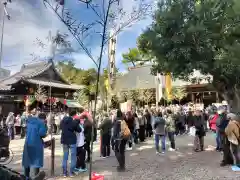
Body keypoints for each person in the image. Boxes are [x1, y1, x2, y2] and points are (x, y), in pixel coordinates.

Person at [22, 110, 47, 180]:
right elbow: (42, 134)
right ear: (43, 119)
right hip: (36, 144)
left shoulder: (29, 122)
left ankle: (26, 176)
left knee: (27, 160)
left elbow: (26, 131)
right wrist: (45, 131)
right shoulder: (41, 123)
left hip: (27, 143)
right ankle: (37, 176)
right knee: (36, 161)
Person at [60, 110, 81, 177]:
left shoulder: (63, 121)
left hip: (64, 140)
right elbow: (79, 130)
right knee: (73, 157)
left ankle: (64, 173)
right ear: (74, 115)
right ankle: (71, 172)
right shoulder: (73, 122)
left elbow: (61, 127)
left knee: (65, 157)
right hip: (72, 141)